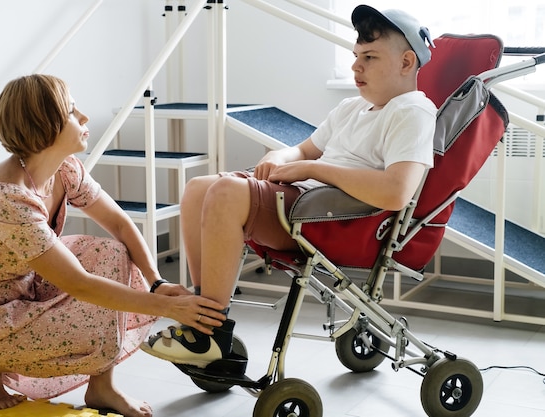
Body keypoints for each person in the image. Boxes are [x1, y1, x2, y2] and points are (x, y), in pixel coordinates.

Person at [140, 5, 437, 368]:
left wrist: (315, 168)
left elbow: (396, 192)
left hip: (336, 218)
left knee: (224, 193)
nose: (356, 67)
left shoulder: (412, 111)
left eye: (370, 57)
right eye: (356, 56)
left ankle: (208, 335)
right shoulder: (352, 108)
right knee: (198, 188)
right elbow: (303, 149)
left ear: (407, 63)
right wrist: (282, 157)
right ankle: (206, 316)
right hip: (309, 202)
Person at [0, 74, 227, 417]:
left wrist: (157, 282)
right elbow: (78, 284)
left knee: (111, 253)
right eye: (71, 111)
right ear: (43, 124)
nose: (83, 116)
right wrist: (166, 308)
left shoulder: (65, 169)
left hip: (21, 287)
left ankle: (102, 387)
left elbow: (119, 224)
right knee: (87, 311)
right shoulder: (6, 198)